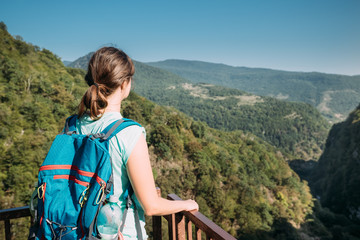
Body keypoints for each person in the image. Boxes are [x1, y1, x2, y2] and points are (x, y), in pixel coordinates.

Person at [76, 47, 199, 239]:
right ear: (125, 83)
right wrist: (186, 204)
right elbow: (151, 205)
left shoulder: (73, 125)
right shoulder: (128, 133)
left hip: (75, 231)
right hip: (116, 234)